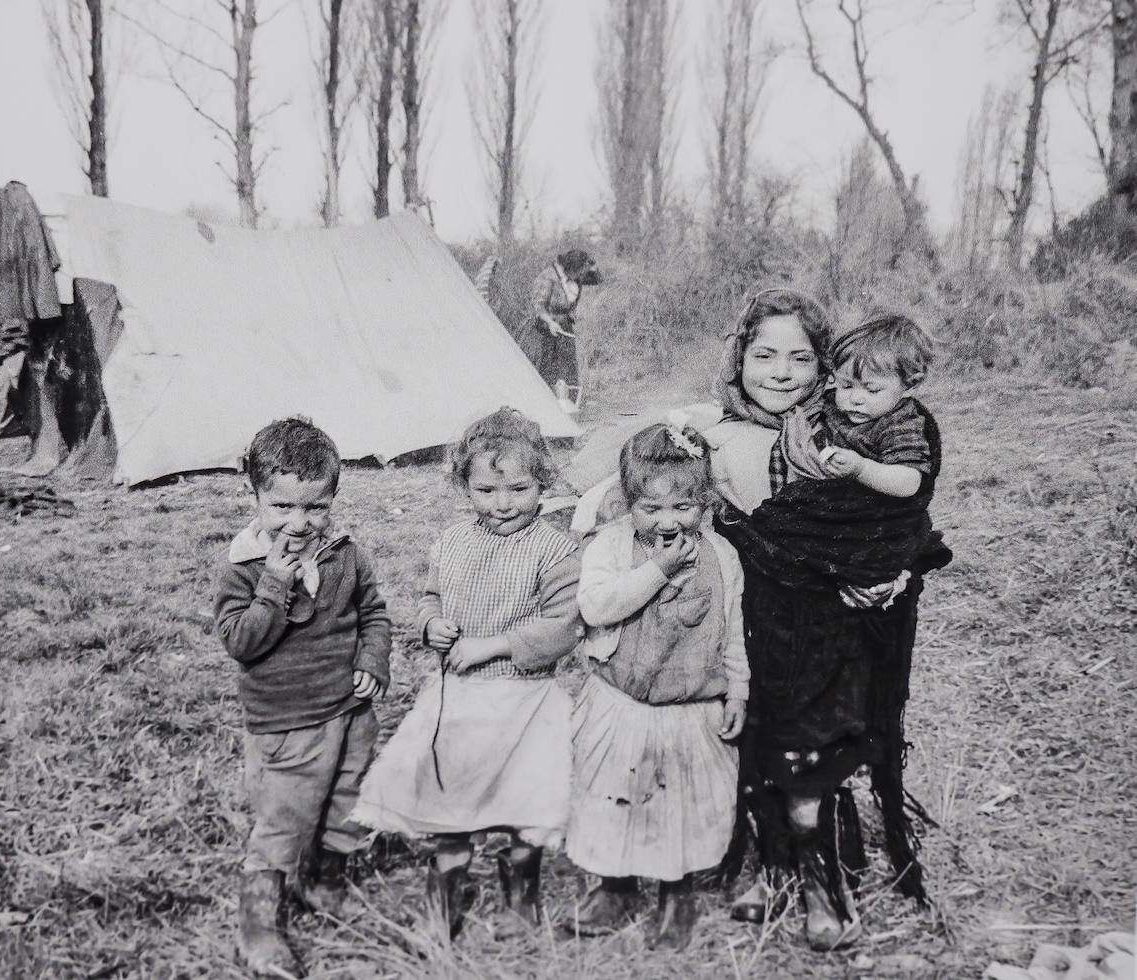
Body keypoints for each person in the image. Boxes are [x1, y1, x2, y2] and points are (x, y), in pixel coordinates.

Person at [571, 288, 950, 952]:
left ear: (827, 367)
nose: (780, 372)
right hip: (730, 621)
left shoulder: (844, 433)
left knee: (804, 752)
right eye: (764, 354)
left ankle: (808, 875)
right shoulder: (706, 435)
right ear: (739, 356)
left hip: (823, 627)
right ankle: (733, 861)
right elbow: (628, 497)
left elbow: (899, 522)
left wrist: (892, 573)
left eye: (800, 358)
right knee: (715, 749)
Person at [352, 407, 582, 941]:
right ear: (465, 486)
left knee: (523, 803)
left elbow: (563, 628)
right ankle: (445, 897)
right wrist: (431, 622)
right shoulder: (453, 540)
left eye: (519, 489)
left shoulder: (555, 550)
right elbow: (431, 598)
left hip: (523, 701)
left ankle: (521, 898)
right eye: (485, 491)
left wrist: (492, 645)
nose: (503, 504)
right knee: (448, 799)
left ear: (542, 483)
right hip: (459, 704)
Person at [213, 417, 393, 979]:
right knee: (285, 815)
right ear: (257, 499)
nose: (299, 523)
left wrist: (372, 659)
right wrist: (273, 584)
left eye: (315, 507)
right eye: (282, 508)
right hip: (286, 721)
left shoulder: (347, 553)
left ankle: (324, 879)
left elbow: (374, 613)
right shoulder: (242, 566)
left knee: (348, 798)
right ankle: (259, 922)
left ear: (332, 499)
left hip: (349, 710)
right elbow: (242, 642)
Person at [566, 422, 748, 950]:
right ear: (628, 502)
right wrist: (658, 571)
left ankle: (676, 892)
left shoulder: (723, 556)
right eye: (651, 509)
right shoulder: (610, 545)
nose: (668, 522)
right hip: (623, 701)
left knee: (681, 803)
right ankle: (615, 885)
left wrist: (738, 689)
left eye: (683, 508)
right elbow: (597, 607)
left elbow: (733, 627)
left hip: (690, 705)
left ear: (704, 501)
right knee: (614, 796)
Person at [792, 313, 936, 499]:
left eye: (872, 390)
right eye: (846, 385)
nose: (855, 398)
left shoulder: (899, 424)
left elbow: (909, 483)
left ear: (909, 386)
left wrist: (862, 469)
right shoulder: (832, 402)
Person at [510, 249, 602, 409]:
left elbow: (597, 279)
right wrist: (550, 322)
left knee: (567, 368)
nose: (581, 276)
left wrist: (592, 264)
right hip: (544, 329)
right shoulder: (548, 276)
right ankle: (543, 410)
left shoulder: (577, 276)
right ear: (570, 268)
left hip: (564, 327)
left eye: (583, 272)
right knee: (546, 370)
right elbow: (538, 307)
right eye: (579, 272)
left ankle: (569, 409)